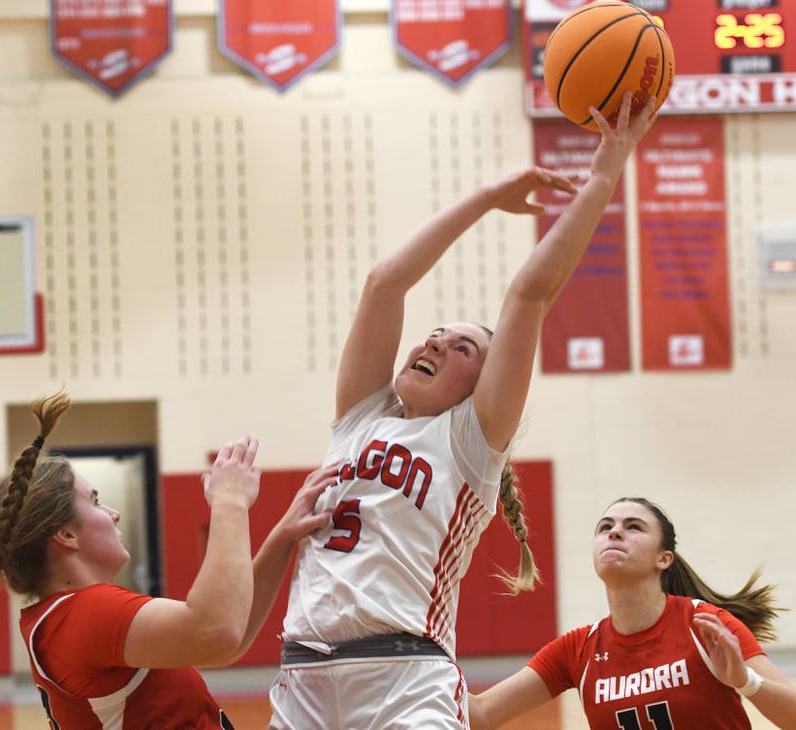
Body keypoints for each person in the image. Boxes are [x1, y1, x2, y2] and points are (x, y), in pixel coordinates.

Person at [268, 92, 659, 730]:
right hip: (303, 678)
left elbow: (530, 293)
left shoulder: (468, 441)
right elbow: (385, 283)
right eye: (434, 335)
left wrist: (604, 175)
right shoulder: (362, 414)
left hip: (404, 678)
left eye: (462, 348)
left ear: (481, 384)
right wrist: (483, 198)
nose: (432, 344)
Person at [0, 392, 332, 729]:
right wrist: (229, 500)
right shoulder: (83, 613)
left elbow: (228, 636)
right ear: (66, 535)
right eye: (95, 501)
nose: (113, 514)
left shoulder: (61, 618)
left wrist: (282, 538)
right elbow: (215, 631)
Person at [468, 497, 796, 729]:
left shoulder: (704, 624)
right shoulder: (576, 649)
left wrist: (745, 681)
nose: (614, 532)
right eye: (605, 526)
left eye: (633, 526)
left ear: (664, 558)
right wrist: (425, 654)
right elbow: (481, 714)